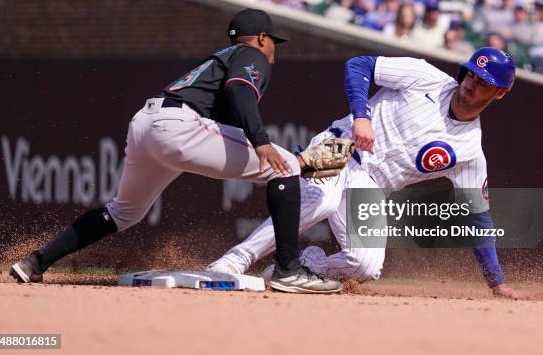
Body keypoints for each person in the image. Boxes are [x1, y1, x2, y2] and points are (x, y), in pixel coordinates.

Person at [9, 9, 342, 294]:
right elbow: (240, 91)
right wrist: (262, 143)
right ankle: (289, 268)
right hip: (178, 125)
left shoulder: (220, 58)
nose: (273, 51)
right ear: (260, 38)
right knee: (283, 167)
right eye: (273, 42)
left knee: (124, 213)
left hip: (146, 122)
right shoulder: (251, 54)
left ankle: (35, 262)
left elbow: (225, 115)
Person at [208, 47, 520, 299]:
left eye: (483, 83)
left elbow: (478, 216)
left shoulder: (469, 151)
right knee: (323, 201)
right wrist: (361, 115)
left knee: (366, 266)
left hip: (370, 183)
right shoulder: (426, 77)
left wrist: (496, 282)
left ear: (500, 94)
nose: (471, 83)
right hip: (341, 145)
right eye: (471, 74)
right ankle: (233, 262)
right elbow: (360, 64)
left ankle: (307, 265)